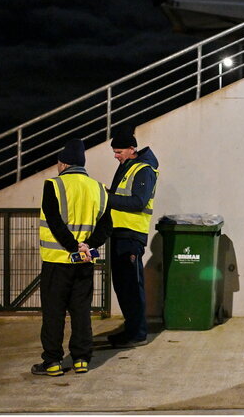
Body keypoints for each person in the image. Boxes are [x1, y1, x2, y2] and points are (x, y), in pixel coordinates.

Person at [32, 139, 111, 377]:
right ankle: (81, 360)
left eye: (58, 163)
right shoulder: (99, 188)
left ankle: (53, 362)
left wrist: (73, 246)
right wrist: (88, 246)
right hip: (85, 262)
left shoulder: (53, 186)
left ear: (64, 163)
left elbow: (55, 222)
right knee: (81, 312)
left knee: (54, 313)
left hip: (58, 262)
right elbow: (106, 226)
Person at [105, 125, 160, 348]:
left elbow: (138, 202)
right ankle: (131, 331)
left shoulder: (143, 170)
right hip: (120, 233)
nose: (116, 157)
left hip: (131, 236)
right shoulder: (129, 166)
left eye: (119, 152)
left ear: (131, 148)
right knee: (123, 286)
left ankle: (137, 334)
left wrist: (106, 198)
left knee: (131, 286)